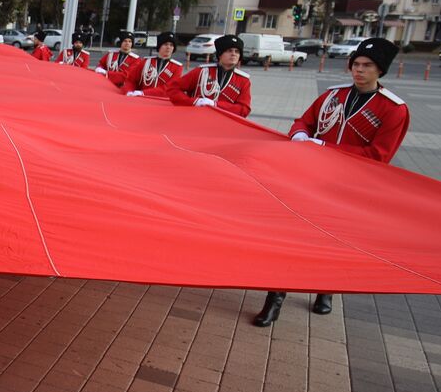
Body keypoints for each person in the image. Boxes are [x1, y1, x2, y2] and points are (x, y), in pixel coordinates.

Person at [253, 37, 408, 327]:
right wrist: (300, 134)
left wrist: (326, 147)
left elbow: (378, 155)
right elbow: (304, 121)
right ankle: (275, 298)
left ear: (380, 70)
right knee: (292, 238)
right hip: (312, 178)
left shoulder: (393, 109)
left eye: (367, 65)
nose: (359, 70)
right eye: (356, 64)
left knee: (333, 241)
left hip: (350, 186)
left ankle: (326, 289)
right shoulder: (333, 96)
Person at [167, 34, 251, 117]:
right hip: (196, 118)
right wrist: (194, 102)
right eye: (229, 51)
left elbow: (244, 109)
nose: (234, 54)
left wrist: (215, 105)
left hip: (224, 122)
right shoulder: (201, 71)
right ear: (220, 54)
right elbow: (173, 89)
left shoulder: (243, 80)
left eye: (237, 51)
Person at [124, 32, 183, 97]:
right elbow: (131, 80)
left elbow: (169, 88)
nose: (168, 47)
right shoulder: (145, 62)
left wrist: (143, 93)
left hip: (160, 101)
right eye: (165, 44)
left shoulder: (177, 67)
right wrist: (129, 91)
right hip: (141, 99)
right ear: (159, 46)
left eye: (171, 45)